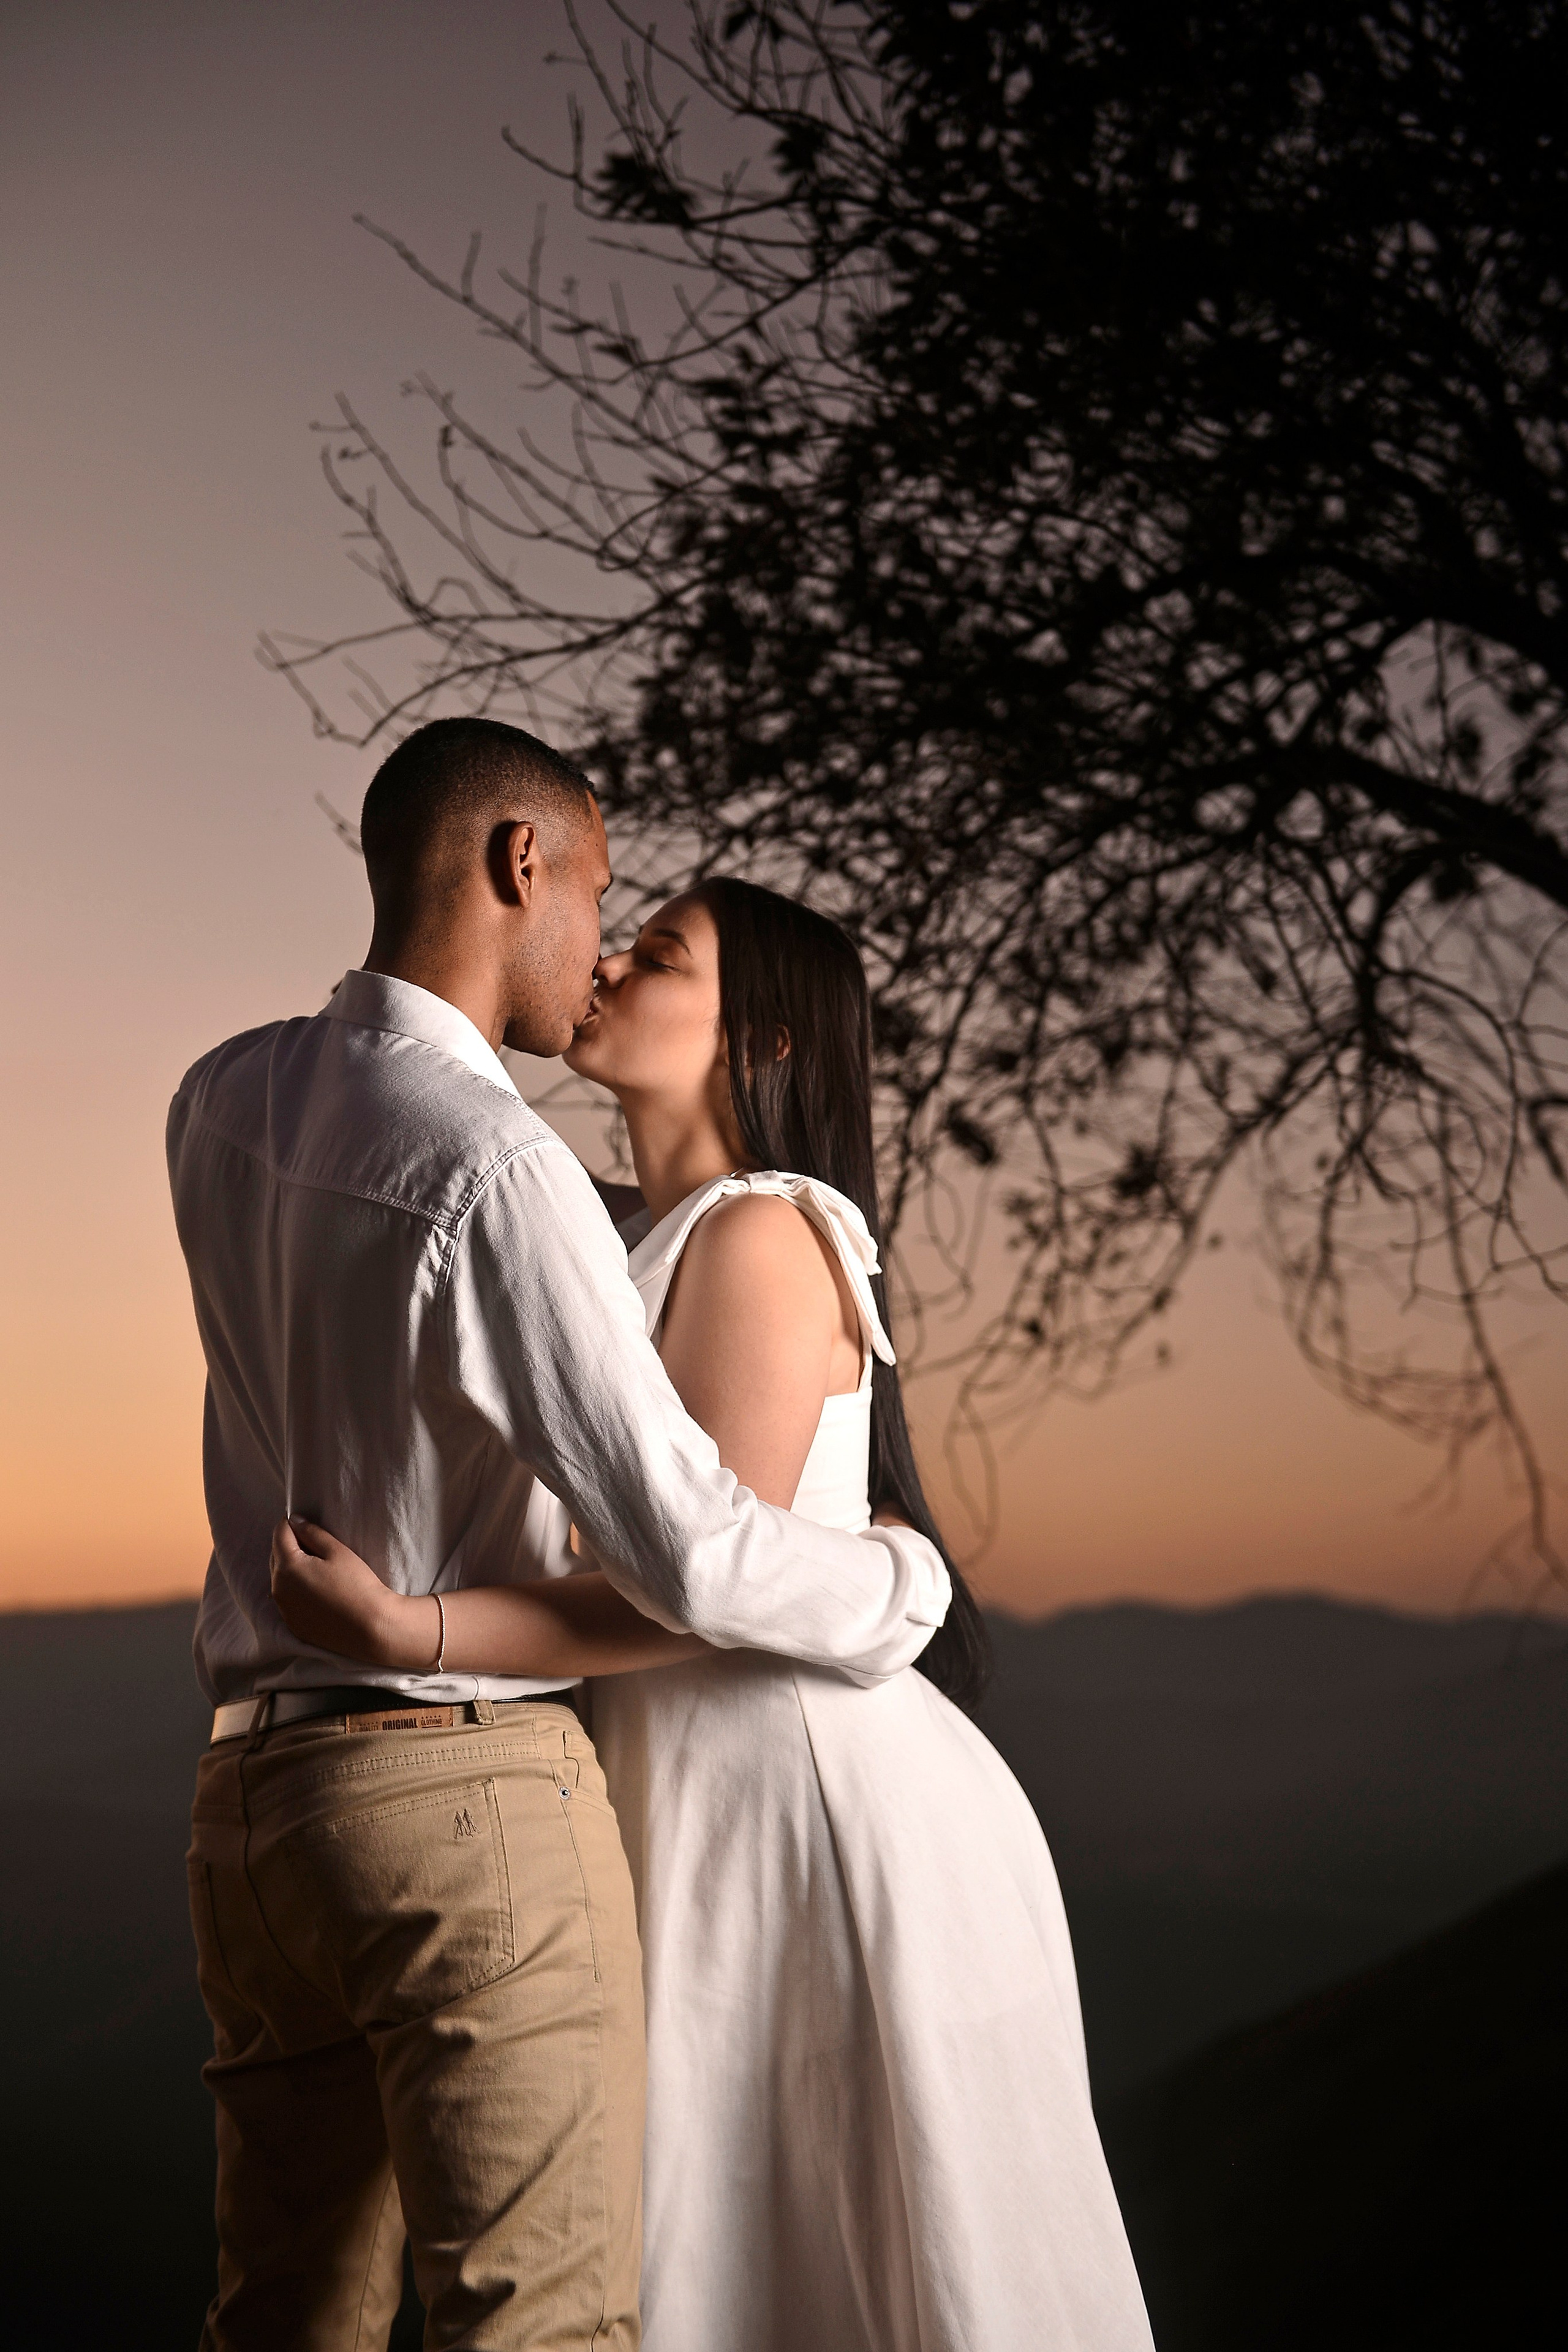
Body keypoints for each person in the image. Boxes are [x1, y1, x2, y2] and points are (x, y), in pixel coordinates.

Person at [271, 878, 1156, 2351]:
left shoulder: (755, 1233)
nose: (608, 962)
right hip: (697, 1785)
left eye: (658, 954)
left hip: (796, 1800)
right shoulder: (624, 1231)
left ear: (772, 1048)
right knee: (743, 2239)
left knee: (824, 2237)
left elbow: (690, 1599)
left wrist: (413, 1632)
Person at [167, 719, 952, 2352]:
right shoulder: (498, 1162)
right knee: (534, 2331)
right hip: (458, 1803)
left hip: (249, 1802)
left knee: (278, 2323)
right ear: (522, 864)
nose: (596, 949)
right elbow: (686, 1549)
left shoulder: (219, 1097)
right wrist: (899, 1576)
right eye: (600, 895)